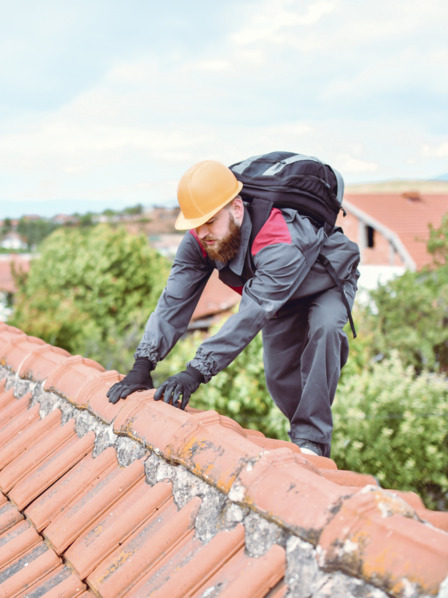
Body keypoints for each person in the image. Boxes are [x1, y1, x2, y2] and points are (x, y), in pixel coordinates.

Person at [107, 159, 360, 457]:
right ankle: (304, 437)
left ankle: (313, 443)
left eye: (211, 221)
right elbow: (173, 301)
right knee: (279, 379)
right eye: (196, 225)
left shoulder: (278, 242)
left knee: (324, 329)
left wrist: (196, 372)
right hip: (278, 297)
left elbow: (250, 316)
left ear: (236, 210)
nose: (203, 232)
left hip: (324, 281)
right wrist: (143, 363)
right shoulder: (200, 239)